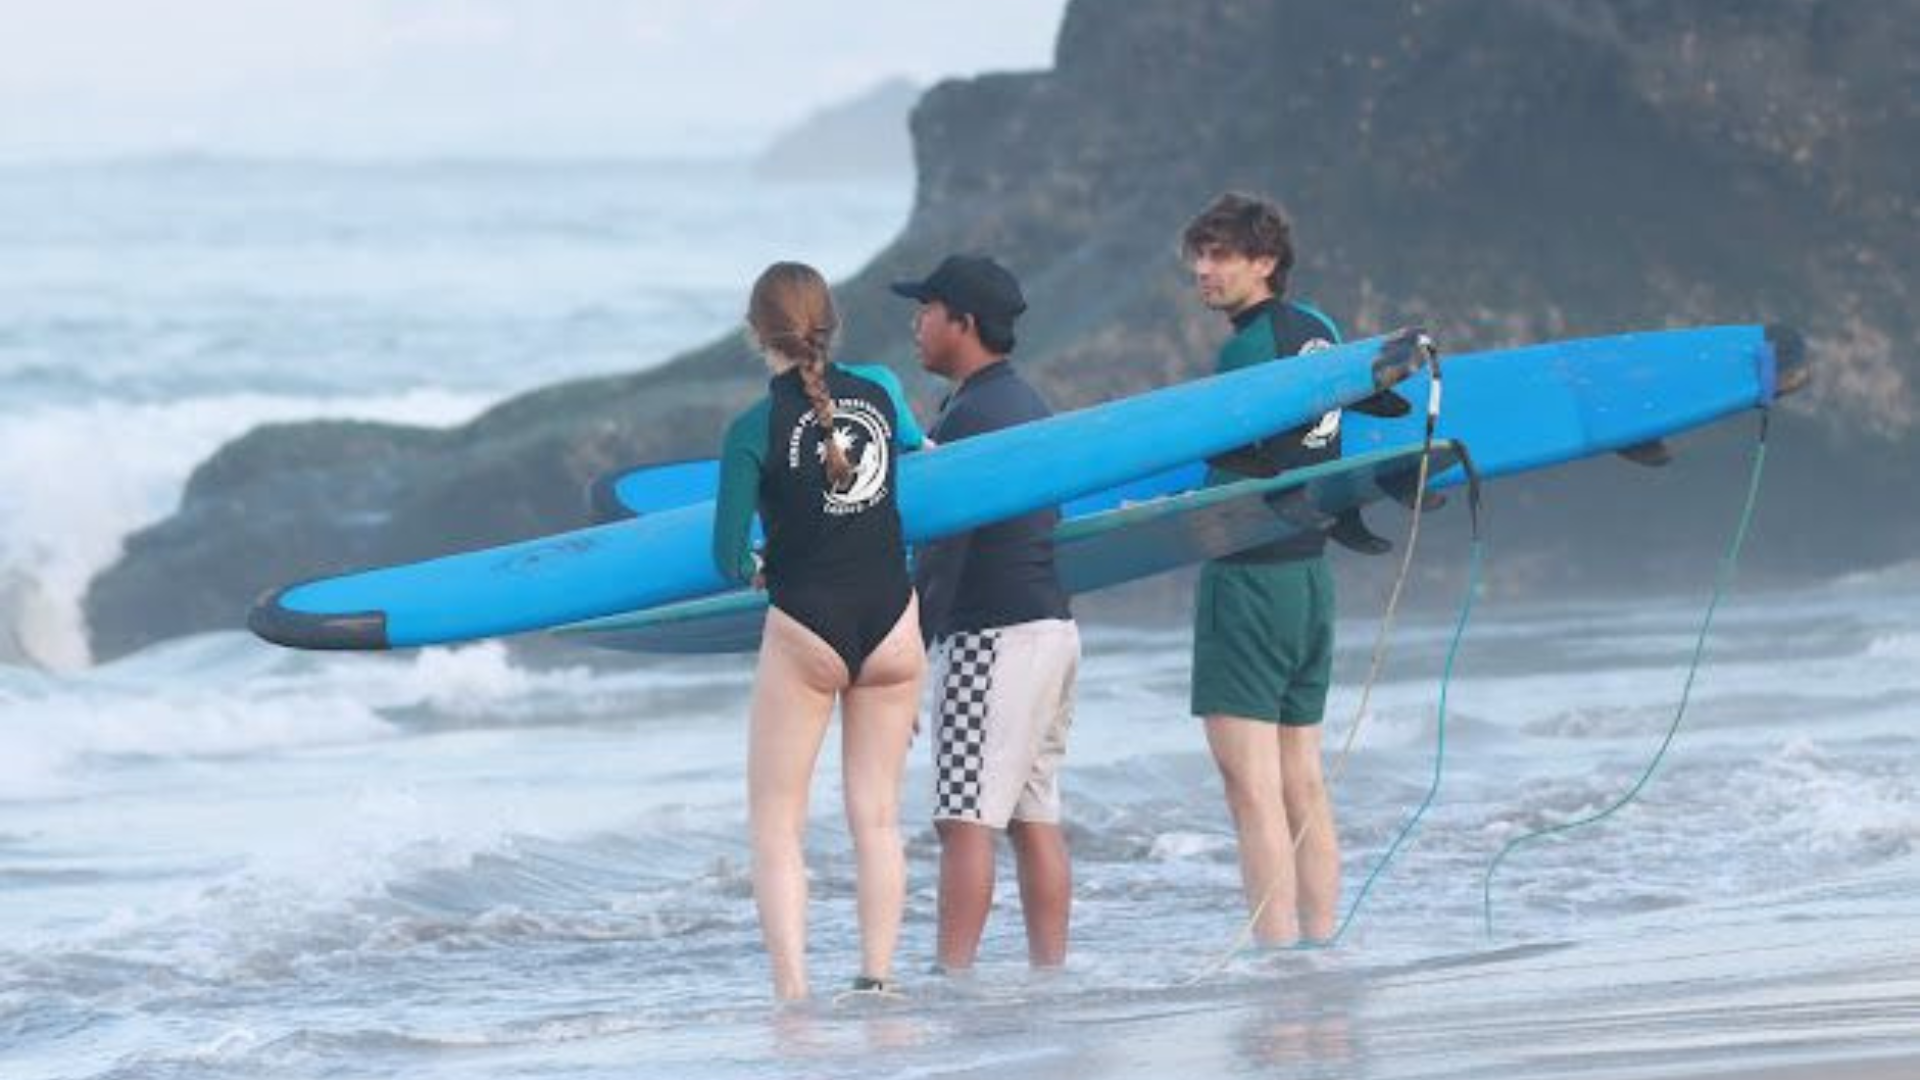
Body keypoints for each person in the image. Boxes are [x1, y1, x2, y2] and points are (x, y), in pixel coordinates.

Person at [712, 261, 928, 1001]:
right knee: (877, 817)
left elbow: (726, 555)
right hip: (895, 620)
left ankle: (795, 1001)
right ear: (830, 322)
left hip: (809, 627)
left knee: (777, 825)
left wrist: (763, 567)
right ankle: (877, 981)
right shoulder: (882, 392)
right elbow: (918, 457)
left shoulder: (751, 429)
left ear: (755, 333)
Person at [891, 255, 1080, 971]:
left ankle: (953, 982)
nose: (917, 323)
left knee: (963, 821)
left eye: (927, 308)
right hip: (1053, 629)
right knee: (1034, 817)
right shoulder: (1027, 403)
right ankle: (1049, 976)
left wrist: (908, 656)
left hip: (994, 639)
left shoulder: (971, 418)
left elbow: (944, 553)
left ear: (963, 323)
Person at [1181, 192, 1347, 945]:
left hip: (1249, 577)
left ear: (1265, 262)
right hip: (1310, 578)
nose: (1202, 271)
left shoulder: (1246, 350)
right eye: (1199, 255)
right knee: (1302, 780)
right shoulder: (1322, 333)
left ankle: (1277, 962)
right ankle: (1320, 949)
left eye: (1220, 256)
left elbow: (1230, 470)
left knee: (1250, 789)